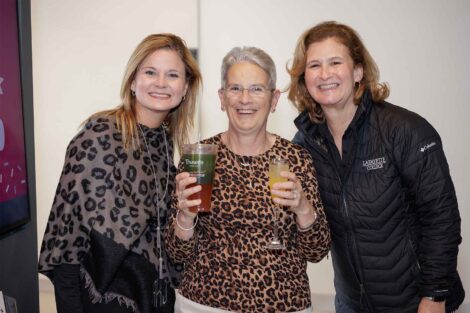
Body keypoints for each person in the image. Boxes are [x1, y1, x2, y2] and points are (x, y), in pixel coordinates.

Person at [287, 21, 465, 313]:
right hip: (351, 305)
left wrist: (434, 296)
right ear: (304, 78)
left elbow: (441, 220)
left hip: (415, 304)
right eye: (314, 65)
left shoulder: (405, 130)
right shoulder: (305, 144)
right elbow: (309, 231)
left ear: (357, 71)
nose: (325, 74)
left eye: (335, 62)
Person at [38, 33, 202, 313]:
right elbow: (66, 239)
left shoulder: (163, 142)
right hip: (101, 301)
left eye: (172, 75)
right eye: (150, 72)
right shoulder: (100, 135)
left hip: (154, 298)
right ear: (133, 81)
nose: (161, 83)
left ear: (185, 87)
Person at [164, 46, 331, 312]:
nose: (245, 99)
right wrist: (185, 216)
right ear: (222, 97)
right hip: (204, 306)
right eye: (235, 89)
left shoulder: (296, 159)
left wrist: (303, 208)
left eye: (256, 89)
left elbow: (317, 251)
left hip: (283, 304)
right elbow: (176, 254)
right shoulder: (199, 158)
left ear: (274, 99)